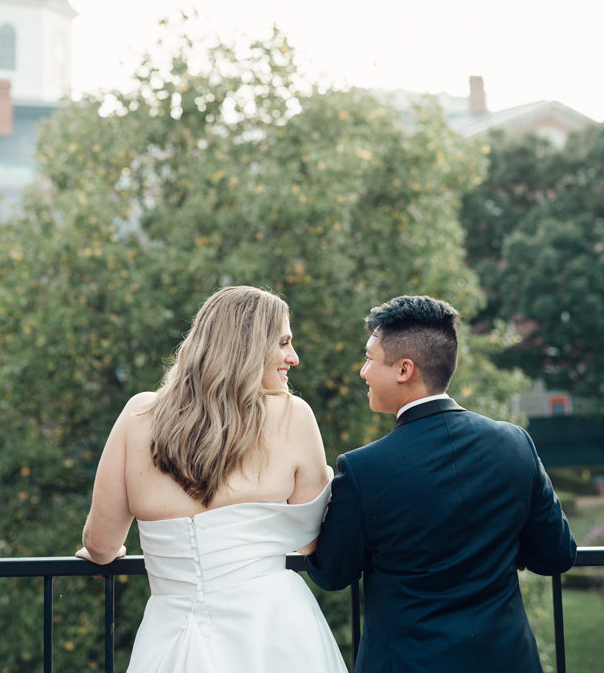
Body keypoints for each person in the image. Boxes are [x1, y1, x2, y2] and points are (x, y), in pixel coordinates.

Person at [77, 285, 347, 673]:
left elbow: (100, 546)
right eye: (284, 343)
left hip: (170, 636)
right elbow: (310, 543)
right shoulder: (293, 416)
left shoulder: (138, 416)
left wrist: (107, 554)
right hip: (273, 633)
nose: (294, 357)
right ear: (247, 346)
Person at [306, 294, 577, 673]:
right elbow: (556, 555)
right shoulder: (516, 444)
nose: (362, 371)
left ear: (404, 369)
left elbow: (332, 573)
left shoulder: (363, 469)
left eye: (369, 358)